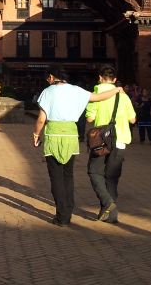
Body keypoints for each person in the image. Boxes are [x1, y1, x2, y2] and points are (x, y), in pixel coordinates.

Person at [31, 66, 122, 227]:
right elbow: (98, 97)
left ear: (51, 77)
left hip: (53, 135)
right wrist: (116, 89)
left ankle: (62, 216)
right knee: (68, 176)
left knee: (56, 177)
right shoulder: (76, 90)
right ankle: (68, 212)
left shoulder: (47, 92)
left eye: (48, 78)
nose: (48, 81)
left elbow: (41, 119)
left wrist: (36, 135)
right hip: (71, 136)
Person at [85, 65, 136, 223]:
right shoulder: (124, 97)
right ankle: (111, 215)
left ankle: (107, 203)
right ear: (114, 80)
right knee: (112, 177)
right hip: (120, 140)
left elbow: (90, 118)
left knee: (94, 171)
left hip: (101, 141)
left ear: (100, 78)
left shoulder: (96, 95)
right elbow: (133, 119)